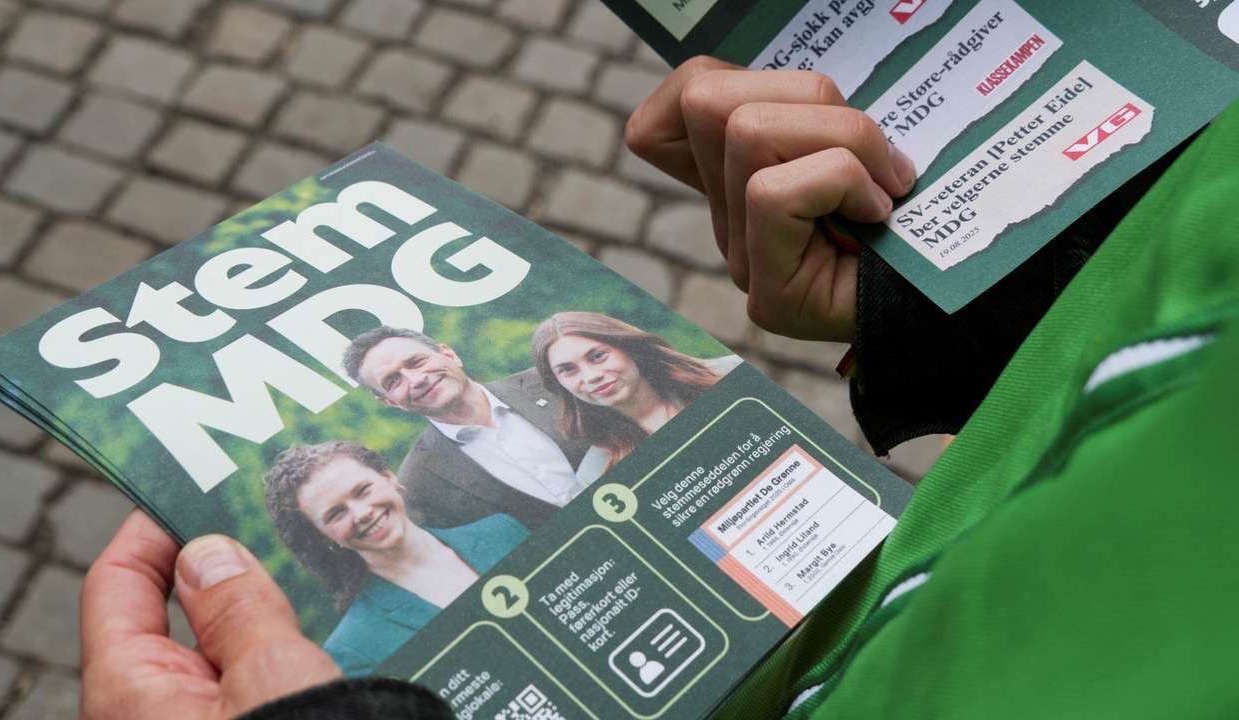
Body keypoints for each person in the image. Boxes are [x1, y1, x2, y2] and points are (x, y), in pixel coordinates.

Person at [80, 59, 1239, 720]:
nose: (419, 373)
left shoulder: (550, 384)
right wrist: (955, 299)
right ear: (393, 416)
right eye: (394, 381)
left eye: (415, 353)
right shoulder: (439, 487)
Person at [264, 441, 528, 678]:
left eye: (362, 490)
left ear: (389, 477)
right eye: (335, 514)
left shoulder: (502, 531)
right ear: (323, 538)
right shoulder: (351, 650)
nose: (362, 513)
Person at [341, 326, 593, 530]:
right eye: (393, 381)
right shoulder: (419, 484)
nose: (416, 380)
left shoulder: (554, 382)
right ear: (389, 402)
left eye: (417, 362)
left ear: (449, 354)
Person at [531, 311, 741, 482]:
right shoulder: (597, 474)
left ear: (627, 347)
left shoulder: (731, 373)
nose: (591, 376)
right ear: (557, 382)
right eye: (568, 370)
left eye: (597, 356)